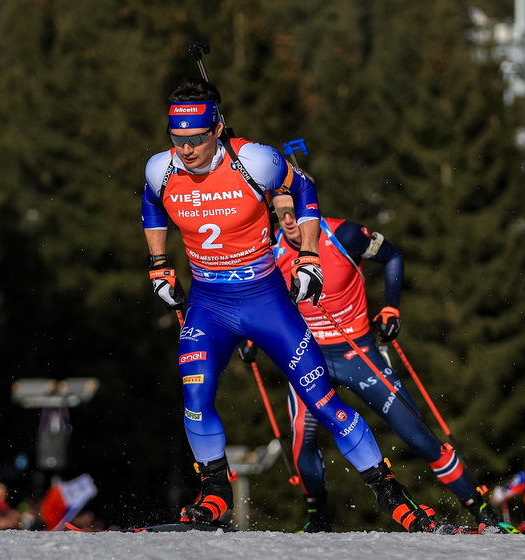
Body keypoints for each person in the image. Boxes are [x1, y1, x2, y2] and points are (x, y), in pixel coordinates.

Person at [142, 76, 442, 532]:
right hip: (209, 304)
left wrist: (308, 256)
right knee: (195, 395)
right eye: (178, 140)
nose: (186, 150)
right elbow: (151, 203)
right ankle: (215, 492)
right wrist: (159, 264)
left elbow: (303, 190)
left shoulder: (254, 160)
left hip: (266, 301)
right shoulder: (160, 169)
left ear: (217, 128)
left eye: (197, 139)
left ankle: (390, 493)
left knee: (322, 402)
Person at [260, 193, 512, 533]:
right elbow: (260, 298)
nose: (288, 222)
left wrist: (391, 307)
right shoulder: (270, 250)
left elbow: (393, 256)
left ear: (310, 208)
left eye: (293, 212)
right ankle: (318, 518)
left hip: (357, 352)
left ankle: (484, 514)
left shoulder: (344, 235)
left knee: (417, 434)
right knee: (302, 438)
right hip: (308, 354)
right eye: (280, 215)